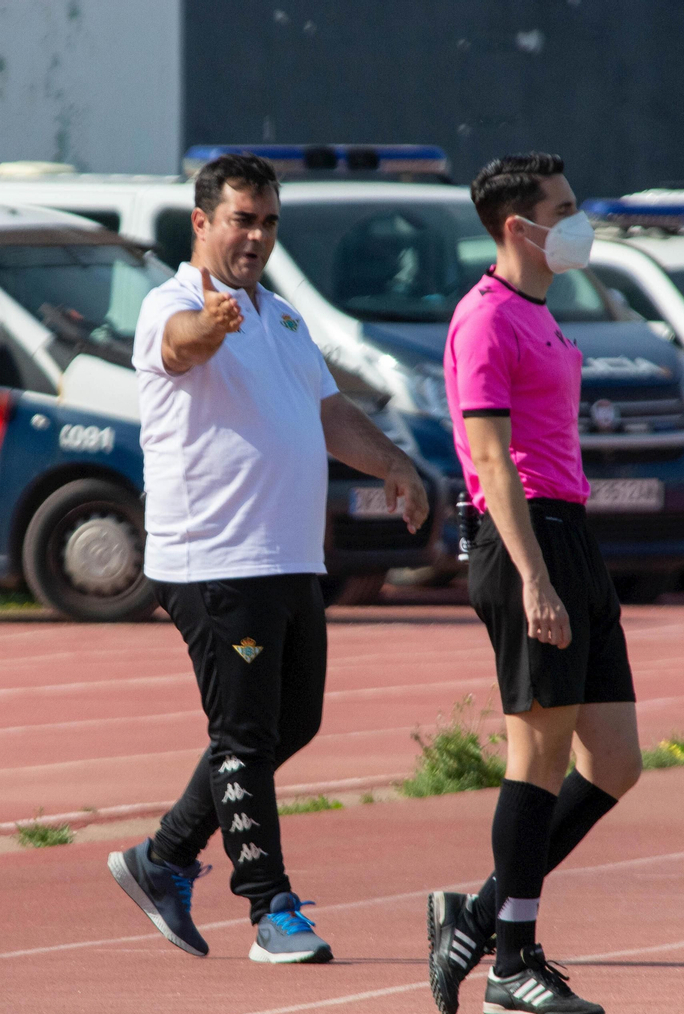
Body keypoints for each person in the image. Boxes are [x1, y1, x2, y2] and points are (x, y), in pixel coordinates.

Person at [108, 152, 430, 964]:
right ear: (203, 223)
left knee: (293, 722)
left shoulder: (281, 317)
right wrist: (207, 329)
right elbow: (179, 349)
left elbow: (327, 410)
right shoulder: (173, 305)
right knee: (245, 735)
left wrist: (395, 465)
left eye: (268, 222)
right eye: (242, 219)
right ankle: (270, 910)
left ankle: (165, 856)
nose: (256, 236)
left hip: (287, 556)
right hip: (213, 559)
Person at [427, 153, 643, 1014]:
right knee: (538, 756)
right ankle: (511, 961)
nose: (577, 220)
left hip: (571, 534)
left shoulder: (539, 314)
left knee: (617, 761)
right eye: (563, 208)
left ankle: (476, 912)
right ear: (519, 227)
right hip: (527, 543)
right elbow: (489, 458)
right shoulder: (483, 321)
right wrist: (533, 579)